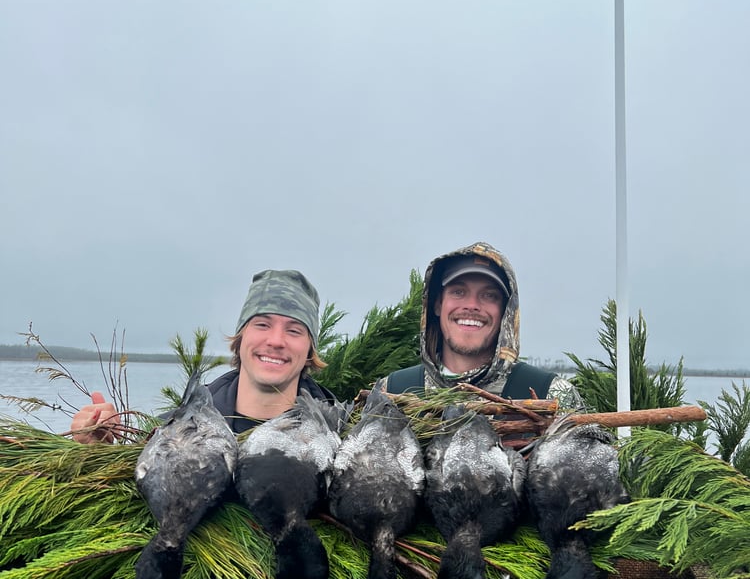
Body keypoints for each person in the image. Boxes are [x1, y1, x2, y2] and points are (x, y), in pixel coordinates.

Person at [71, 268, 336, 442]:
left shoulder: (340, 435)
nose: (276, 341)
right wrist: (96, 451)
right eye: (262, 324)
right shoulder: (172, 432)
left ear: (310, 349)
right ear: (241, 337)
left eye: (294, 330)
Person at [381, 241, 583, 410]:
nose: (472, 306)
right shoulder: (390, 393)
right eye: (458, 291)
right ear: (437, 304)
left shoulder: (550, 395)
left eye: (489, 295)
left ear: (506, 313)